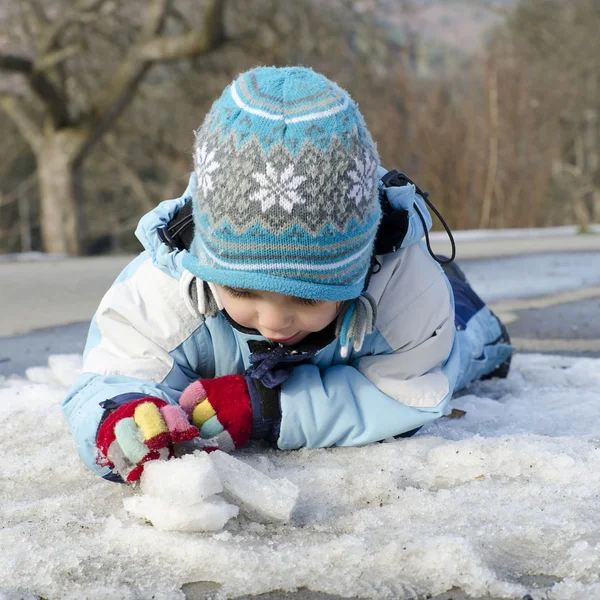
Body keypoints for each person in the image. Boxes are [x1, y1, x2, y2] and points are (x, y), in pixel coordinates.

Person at [63, 66, 513, 483]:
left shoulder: (404, 288)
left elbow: (413, 389)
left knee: (462, 339)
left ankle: (474, 310)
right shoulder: (169, 284)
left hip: (418, 322)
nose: (275, 321)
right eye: (242, 290)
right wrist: (124, 416)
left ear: (356, 274)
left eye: (307, 297)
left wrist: (270, 407)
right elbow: (118, 368)